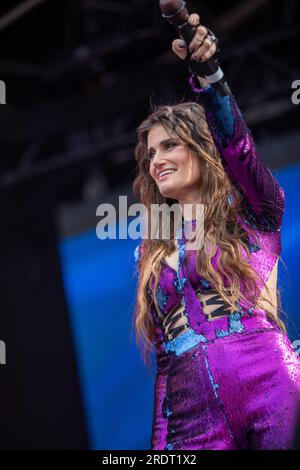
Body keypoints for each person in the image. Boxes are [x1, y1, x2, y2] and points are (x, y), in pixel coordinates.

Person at [132, 13, 300, 450]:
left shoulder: (257, 215)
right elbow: (167, 358)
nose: (156, 160)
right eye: (151, 153)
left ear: (203, 150)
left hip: (266, 379)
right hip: (187, 403)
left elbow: (238, 145)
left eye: (170, 145)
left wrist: (209, 74)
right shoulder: (151, 251)